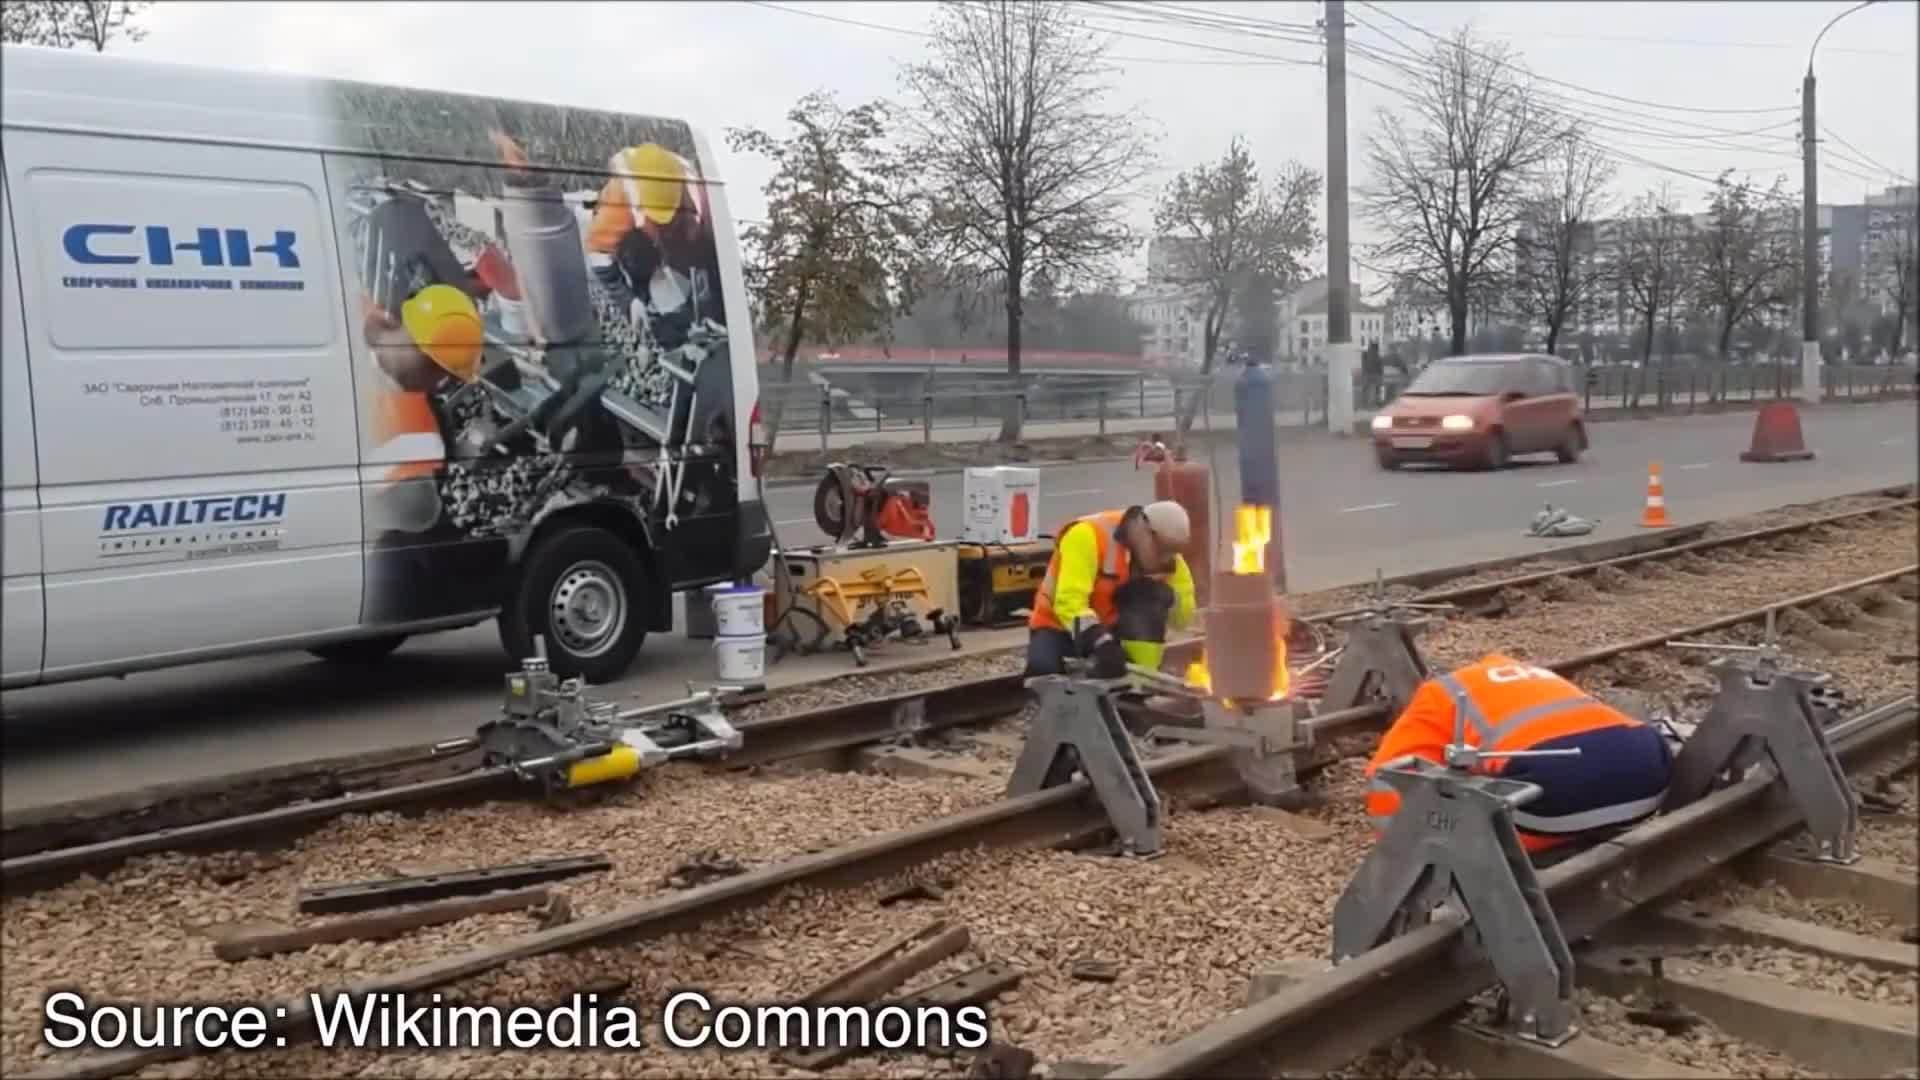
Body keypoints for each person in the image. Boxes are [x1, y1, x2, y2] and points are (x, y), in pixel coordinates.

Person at [1363, 653, 1673, 860]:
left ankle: (1563, 835)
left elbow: (1387, 777)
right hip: (1650, 776)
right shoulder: (1538, 676)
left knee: (1486, 803)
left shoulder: (1440, 692)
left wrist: (1404, 849)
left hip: (1553, 796)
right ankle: (1589, 826)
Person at [1026, 502, 1198, 679]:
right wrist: (1101, 642)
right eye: (1162, 550)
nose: (1166, 558)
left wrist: (1168, 601)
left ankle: (1141, 685)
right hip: (1058, 626)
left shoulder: (1169, 559)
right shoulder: (1087, 536)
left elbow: (1182, 621)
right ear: (1143, 531)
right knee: (1043, 673)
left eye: (1173, 552)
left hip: (1111, 629)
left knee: (1147, 599)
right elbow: (1069, 603)